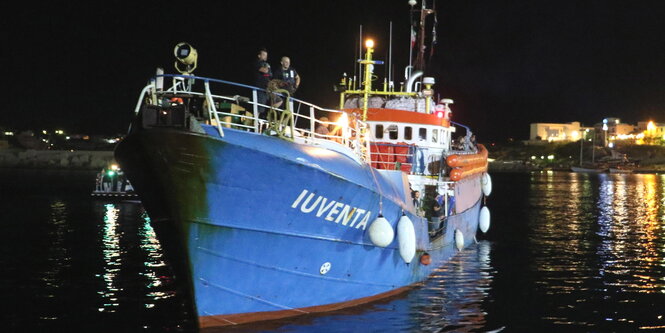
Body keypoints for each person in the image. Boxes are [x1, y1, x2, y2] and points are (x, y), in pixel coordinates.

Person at [254, 48, 272, 117]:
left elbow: (270, 74)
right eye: (264, 55)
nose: (265, 56)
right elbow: (265, 71)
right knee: (258, 108)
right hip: (259, 88)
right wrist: (267, 68)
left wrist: (267, 69)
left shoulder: (266, 64)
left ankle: (268, 117)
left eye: (266, 55)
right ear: (259, 55)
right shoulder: (257, 63)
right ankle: (254, 124)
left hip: (266, 89)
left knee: (277, 101)